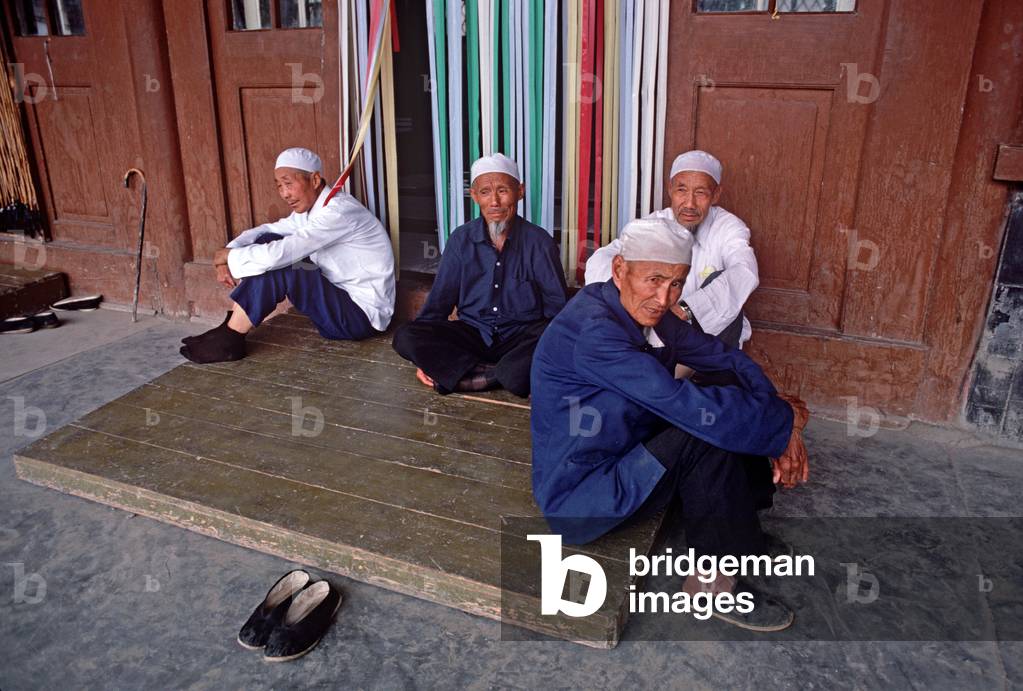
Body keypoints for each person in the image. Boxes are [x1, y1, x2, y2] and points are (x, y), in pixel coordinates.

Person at [531, 217, 810, 631]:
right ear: (620, 270)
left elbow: (722, 356)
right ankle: (708, 587)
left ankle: (739, 523)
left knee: (724, 386)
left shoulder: (639, 307)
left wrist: (777, 414)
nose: (664, 298)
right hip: (585, 493)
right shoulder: (594, 332)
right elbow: (680, 403)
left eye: (677, 283)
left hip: (623, 443)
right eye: (654, 280)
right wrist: (783, 422)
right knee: (704, 428)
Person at [180, 147, 395, 363]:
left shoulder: (338, 212)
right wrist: (227, 253)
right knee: (267, 242)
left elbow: (280, 254)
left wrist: (229, 257)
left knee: (284, 262)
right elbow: (267, 231)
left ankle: (231, 337)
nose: (284, 193)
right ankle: (229, 329)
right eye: (279, 186)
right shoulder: (313, 209)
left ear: (314, 179)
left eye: (289, 183)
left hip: (359, 318)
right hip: (338, 303)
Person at [392, 153, 567, 397]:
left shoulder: (539, 243)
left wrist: (439, 365)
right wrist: (423, 357)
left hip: (520, 338)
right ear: (474, 197)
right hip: (474, 334)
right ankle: (502, 375)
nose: (494, 201)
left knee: (551, 339)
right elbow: (438, 306)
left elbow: (557, 312)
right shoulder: (461, 240)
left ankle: (467, 375)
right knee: (405, 337)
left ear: (520, 191)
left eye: (503, 191)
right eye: (485, 192)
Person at [585, 150, 757, 350]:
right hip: (655, 334)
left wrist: (688, 308)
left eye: (700, 193)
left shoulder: (728, 227)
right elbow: (603, 259)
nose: (690, 203)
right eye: (681, 191)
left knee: (725, 284)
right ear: (670, 190)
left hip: (709, 335)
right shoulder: (653, 224)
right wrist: (632, 295)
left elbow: (745, 270)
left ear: (716, 195)